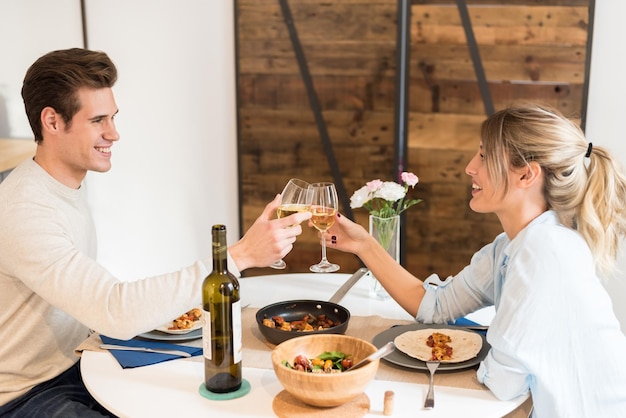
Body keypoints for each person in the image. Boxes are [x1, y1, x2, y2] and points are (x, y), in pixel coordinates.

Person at [0, 48, 311, 417]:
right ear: (52, 122)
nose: (114, 133)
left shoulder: (60, 185)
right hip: (26, 393)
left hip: (79, 361)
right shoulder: (25, 210)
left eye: (113, 117)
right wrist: (239, 257)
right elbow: (112, 308)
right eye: (98, 120)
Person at [323, 104, 626, 417]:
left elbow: (505, 384)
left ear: (526, 174)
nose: (470, 167)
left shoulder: (544, 250)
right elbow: (436, 307)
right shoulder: (510, 246)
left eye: (484, 156)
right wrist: (364, 244)